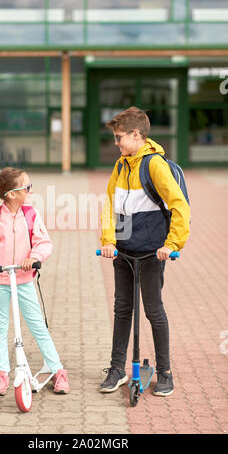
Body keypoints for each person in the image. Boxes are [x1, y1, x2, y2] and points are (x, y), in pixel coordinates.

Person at [100, 106, 190, 396]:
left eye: (119, 137)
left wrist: (171, 245)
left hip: (152, 252)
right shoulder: (120, 165)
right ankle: (116, 369)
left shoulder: (154, 165)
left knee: (153, 310)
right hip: (123, 252)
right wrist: (108, 241)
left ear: (136, 134)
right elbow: (109, 205)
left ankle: (165, 371)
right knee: (122, 308)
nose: (116, 143)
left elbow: (179, 205)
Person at [0, 167, 69, 396]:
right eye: (27, 187)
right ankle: (2, 373)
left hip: (23, 279)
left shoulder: (31, 214)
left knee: (37, 325)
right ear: (12, 194)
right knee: (0, 326)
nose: (30, 190)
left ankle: (57, 370)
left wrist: (34, 257)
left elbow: (43, 242)